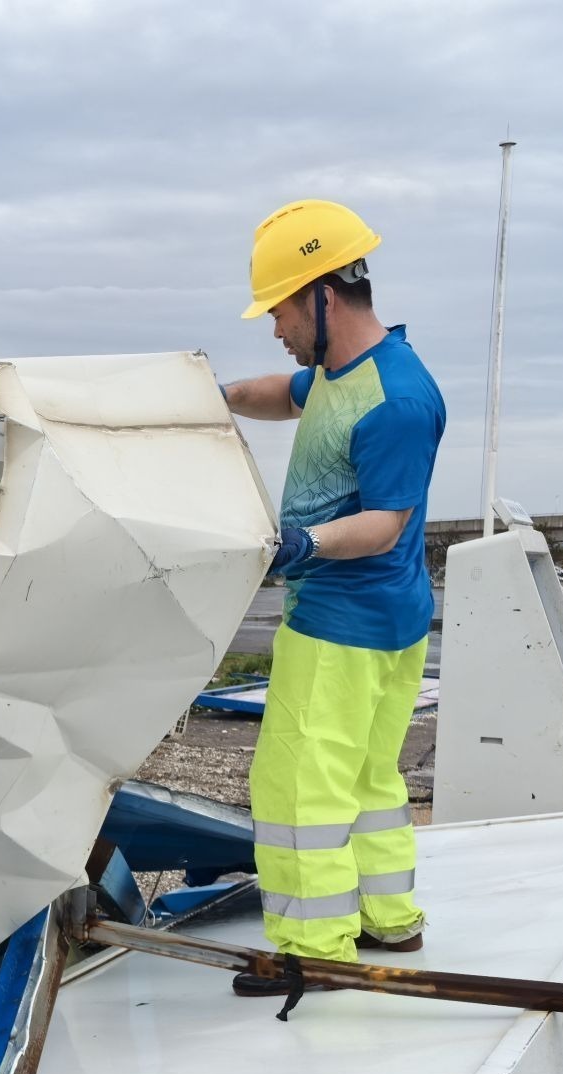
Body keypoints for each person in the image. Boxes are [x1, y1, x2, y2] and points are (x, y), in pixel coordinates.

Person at [219, 199, 446, 999]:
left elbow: (386, 523)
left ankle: (314, 951)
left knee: (297, 789)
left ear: (321, 295)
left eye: (279, 308)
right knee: (369, 781)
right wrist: (213, 397)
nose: (275, 327)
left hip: (342, 626)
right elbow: (283, 394)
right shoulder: (343, 376)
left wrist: (301, 545)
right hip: (388, 621)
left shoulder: (398, 401)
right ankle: (392, 922)